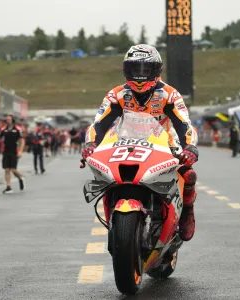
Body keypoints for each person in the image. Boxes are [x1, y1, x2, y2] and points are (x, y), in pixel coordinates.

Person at [82, 44, 199, 242]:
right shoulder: (116, 94)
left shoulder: (170, 94)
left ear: (156, 71)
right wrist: (90, 145)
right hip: (123, 143)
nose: (140, 75)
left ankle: (187, 210)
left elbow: (184, 123)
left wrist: (190, 147)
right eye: (135, 68)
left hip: (163, 144)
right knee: (106, 176)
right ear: (126, 70)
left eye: (145, 69)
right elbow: (99, 123)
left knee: (188, 174)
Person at [0, 114, 25, 194]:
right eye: (6, 119)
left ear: (12, 120)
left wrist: (20, 151)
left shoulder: (18, 129)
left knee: (13, 169)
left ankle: (20, 178)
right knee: (7, 169)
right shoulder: (3, 129)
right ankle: (8, 187)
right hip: (5, 151)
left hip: (14, 151)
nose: (8, 121)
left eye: (9, 119)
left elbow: (22, 141)